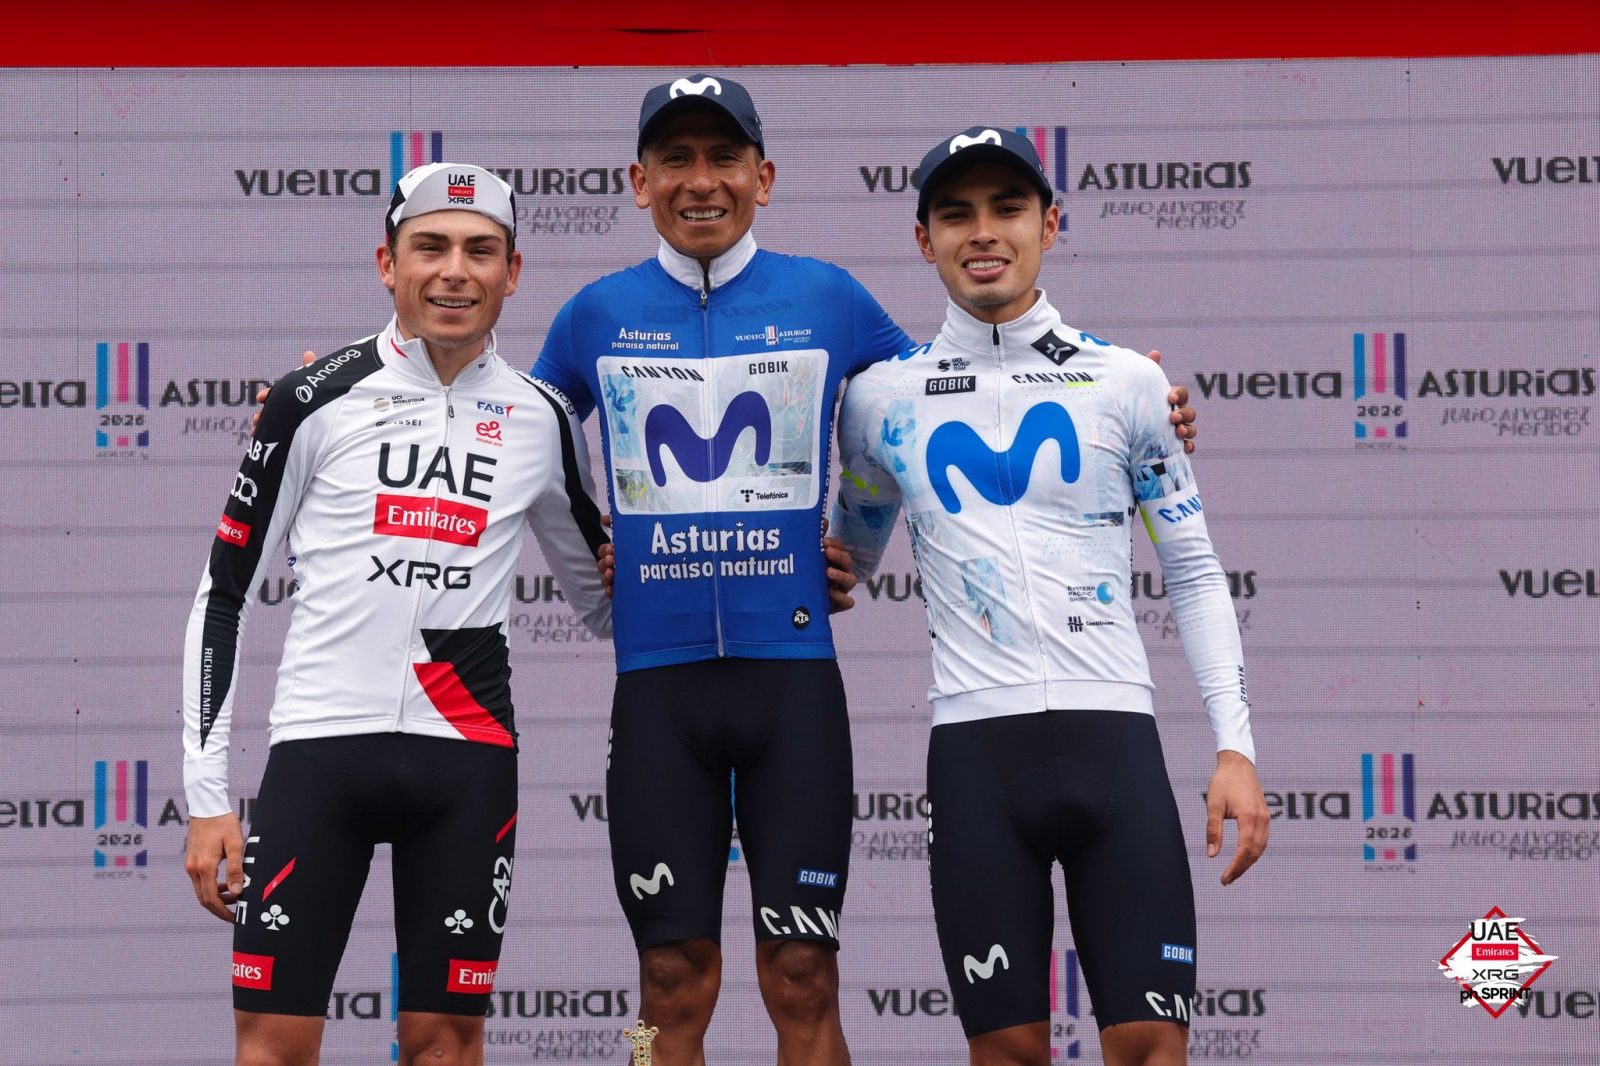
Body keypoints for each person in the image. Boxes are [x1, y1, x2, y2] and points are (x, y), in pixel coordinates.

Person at [539, 78, 1198, 1066]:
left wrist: (1137, 396)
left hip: (790, 688)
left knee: (801, 974)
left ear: (764, 178)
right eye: (675, 158)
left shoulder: (827, 298)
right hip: (656, 694)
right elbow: (513, 432)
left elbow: (962, 378)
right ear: (639, 182)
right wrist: (364, 391)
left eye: (724, 158)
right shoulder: (594, 314)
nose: (701, 180)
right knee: (661, 986)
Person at [828, 128, 1269, 1066]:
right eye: (956, 214)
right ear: (923, 239)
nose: (982, 233)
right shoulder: (878, 402)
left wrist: (1235, 744)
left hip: (1117, 743)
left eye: (1007, 208)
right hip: (977, 757)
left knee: (1153, 1048)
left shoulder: (1131, 383)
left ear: (1050, 224)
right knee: (1009, 1055)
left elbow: (1193, 571)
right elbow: (846, 562)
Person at [181, 163, 612, 1066]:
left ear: (513, 271)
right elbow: (224, 596)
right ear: (388, 263)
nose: (455, 271)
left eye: (480, 251)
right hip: (319, 753)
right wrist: (209, 797)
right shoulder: (311, 399)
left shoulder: (541, 417)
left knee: (448, 1041)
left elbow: (606, 600)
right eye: (432, 247)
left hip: (466, 762)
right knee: (273, 1043)